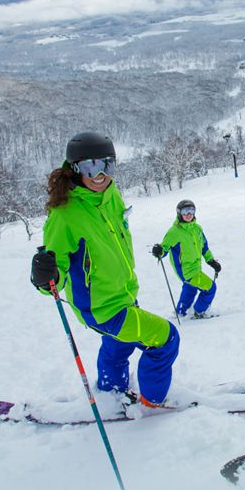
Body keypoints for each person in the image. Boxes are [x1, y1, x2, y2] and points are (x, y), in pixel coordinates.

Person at [29, 131, 179, 408]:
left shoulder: (112, 196)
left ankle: (112, 391)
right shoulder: (64, 215)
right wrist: (45, 276)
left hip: (123, 293)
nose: (99, 174)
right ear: (74, 169)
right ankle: (152, 400)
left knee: (118, 345)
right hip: (101, 307)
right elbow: (55, 273)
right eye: (89, 166)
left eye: (106, 165)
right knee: (165, 339)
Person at [151, 199, 222, 319]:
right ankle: (199, 311)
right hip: (186, 270)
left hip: (196, 267)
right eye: (185, 211)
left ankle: (181, 312)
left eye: (191, 210)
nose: (188, 214)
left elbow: (204, 247)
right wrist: (158, 251)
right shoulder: (175, 232)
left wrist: (211, 261)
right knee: (210, 288)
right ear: (179, 213)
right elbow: (164, 248)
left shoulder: (197, 229)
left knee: (190, 289)